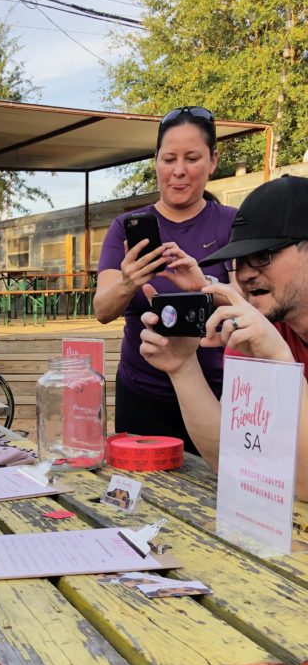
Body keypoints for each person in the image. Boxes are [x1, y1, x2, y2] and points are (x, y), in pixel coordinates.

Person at [139, 175, 308, 501]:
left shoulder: (269, 341)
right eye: (238, 260)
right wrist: (182, 367)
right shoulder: (259, 330)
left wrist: (281, 365)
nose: (245, 273)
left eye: (263, 255)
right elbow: (236, 459)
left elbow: (305, 486)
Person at [93, 106, 236, 451]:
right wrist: (128, 281)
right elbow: (102, 309)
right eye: (169, 159)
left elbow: (253, 309)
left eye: (192, 158)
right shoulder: (124, 228)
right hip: (142, 392)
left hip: (219, 392)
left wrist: (205, 287)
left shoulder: (233, 224)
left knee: (213, 493)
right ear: (155, 160)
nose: (179, 171)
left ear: (213, 160)